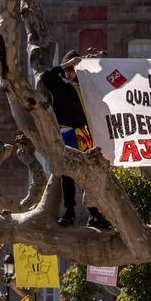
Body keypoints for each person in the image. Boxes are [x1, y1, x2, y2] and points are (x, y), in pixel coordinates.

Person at [40, 49, 111, 229]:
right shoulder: (59, 85)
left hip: (85, 135)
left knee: (89, 174)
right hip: (67, 134)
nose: (70, 73)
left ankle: (94, 214)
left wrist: (92, 60)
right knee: (68, 175)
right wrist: (66, 64)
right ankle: (69, 212)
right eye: (68, 69)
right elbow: (46, 78)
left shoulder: (85, 86)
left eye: (73, 69)